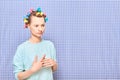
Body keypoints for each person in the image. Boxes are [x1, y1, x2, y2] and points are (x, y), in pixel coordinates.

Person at [13, 7, 57, 80]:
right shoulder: (22, 48)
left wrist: (54, 64)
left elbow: (53, 69)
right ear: (28, 26)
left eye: (42, 25)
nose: (40, 29)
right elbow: (18, 76)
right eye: (36, 26)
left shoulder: (50, 45)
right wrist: (33, 70)